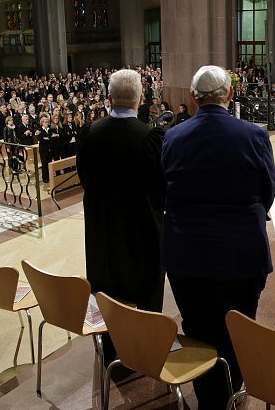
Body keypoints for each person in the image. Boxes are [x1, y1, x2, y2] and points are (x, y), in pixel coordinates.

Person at [161, 65, 275, 406]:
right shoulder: (254, 135)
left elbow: (164, 189)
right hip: (241, 252)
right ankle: (232, 388)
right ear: (229, 94)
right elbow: (267, 191)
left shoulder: (173, 137)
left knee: (197, 325)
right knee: (238, 326)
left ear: (193, 99)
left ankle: (208, 394)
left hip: (187, 253)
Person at [76, 69, 165, 361]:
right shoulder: (152, 138)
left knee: (107, 292)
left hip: (102, 232)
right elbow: (160, 188)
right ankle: (145, 351)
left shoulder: (89, 134)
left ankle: (110, 349)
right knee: (144, 291)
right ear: (140, 99)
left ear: (109, 99)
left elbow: (84, 178)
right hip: (141, 233)